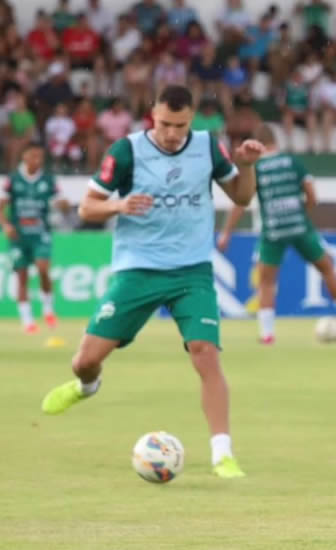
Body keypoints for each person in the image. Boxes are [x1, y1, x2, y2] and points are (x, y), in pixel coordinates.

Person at [39, 85, 265, 479]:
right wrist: (118, 205)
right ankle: (87, 387)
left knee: (205, 353)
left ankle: (222, 454)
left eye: (180, 125)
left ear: (191, 119)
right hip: (137, 270)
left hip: (191, 271)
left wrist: (246, 165)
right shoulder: (126, 152)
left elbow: (242, 198)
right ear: (152, 116)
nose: (172, 133)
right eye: (164, 124)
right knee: (86, 360)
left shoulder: (209, 147)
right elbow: (86, 207)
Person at [218, 124, 336, 344]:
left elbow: (241, 202)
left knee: (267, 283)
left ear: (258, 142)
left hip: (273, 230)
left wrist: (226, 233)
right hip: (299, 226)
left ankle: (267, 334)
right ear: (275, 141)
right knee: (327, 269)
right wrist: (301, 214)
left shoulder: (256, 167)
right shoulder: (293, 162)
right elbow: (312, 196)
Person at [0, 141, 69, 333]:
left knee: (43, 269)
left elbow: (59, 203)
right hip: (18, 236)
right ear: (25, 157)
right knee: (21, 277)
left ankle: (48, 309)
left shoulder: (48, 180)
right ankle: (28, 320)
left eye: (40, 157)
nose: (37, 160)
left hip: (41, 234)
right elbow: (2, 206)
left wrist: (63, 205)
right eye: (34, 156)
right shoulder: (13, 180)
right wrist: (5, 225)